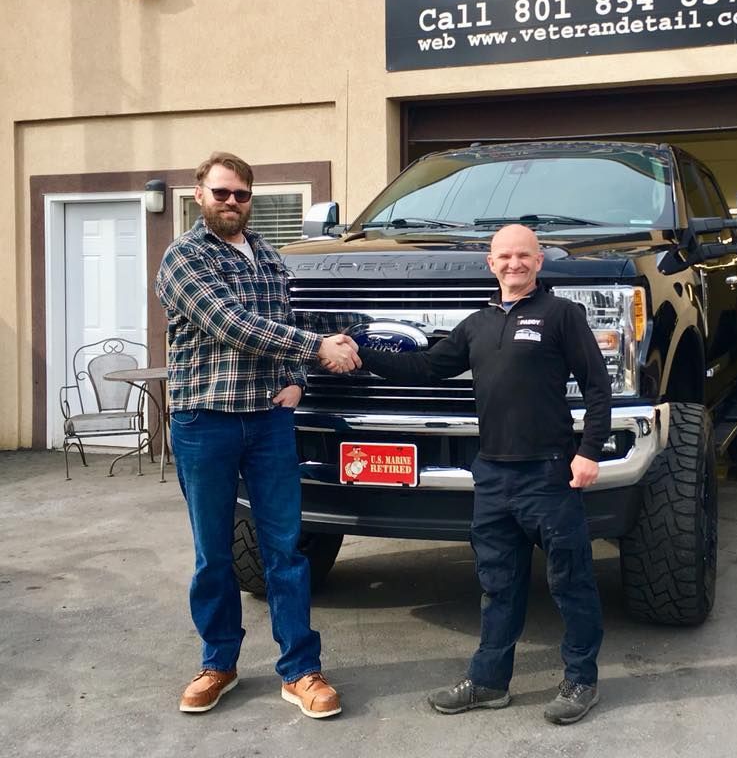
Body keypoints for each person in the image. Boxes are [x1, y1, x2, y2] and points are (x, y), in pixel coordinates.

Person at [346, 224, 612, 725]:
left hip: (550, 473)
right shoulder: (476, 325)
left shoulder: (562, 316)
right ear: (491, 264)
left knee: (570, 582)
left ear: (539, 261)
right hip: (492, 475)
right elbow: (424, 367)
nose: (513, 264)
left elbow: (598, 389)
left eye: (523, 256)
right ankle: (489, 682)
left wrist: (589, 451)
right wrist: (363, 357)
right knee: (497, 583)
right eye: (504, 256)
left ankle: (581, 680)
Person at [155, 151, 361, 718]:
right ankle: (218, 663)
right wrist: (318, 350)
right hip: (205, 422)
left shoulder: (270, 258)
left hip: (269, 423)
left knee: (285, 549)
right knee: (213, 553)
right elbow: (231, 326)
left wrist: (298, 376)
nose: (231, 203)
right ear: (200, 195)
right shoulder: (183, 258)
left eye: (241, 195)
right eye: (221, 193)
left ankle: (300, 670)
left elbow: (286, 321)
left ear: (252, 199)